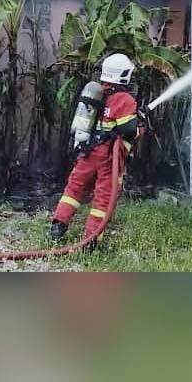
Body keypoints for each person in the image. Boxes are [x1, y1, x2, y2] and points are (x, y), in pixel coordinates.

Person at [50, 53, 139, 243]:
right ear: (123, 75)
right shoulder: (124, 99)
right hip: (108, 158)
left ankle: (58, 224)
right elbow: (129, 131)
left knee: (74, 187)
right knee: (103, 197)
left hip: (87, 152)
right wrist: (141, 122)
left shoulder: (95, 93)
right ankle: (91, 238)